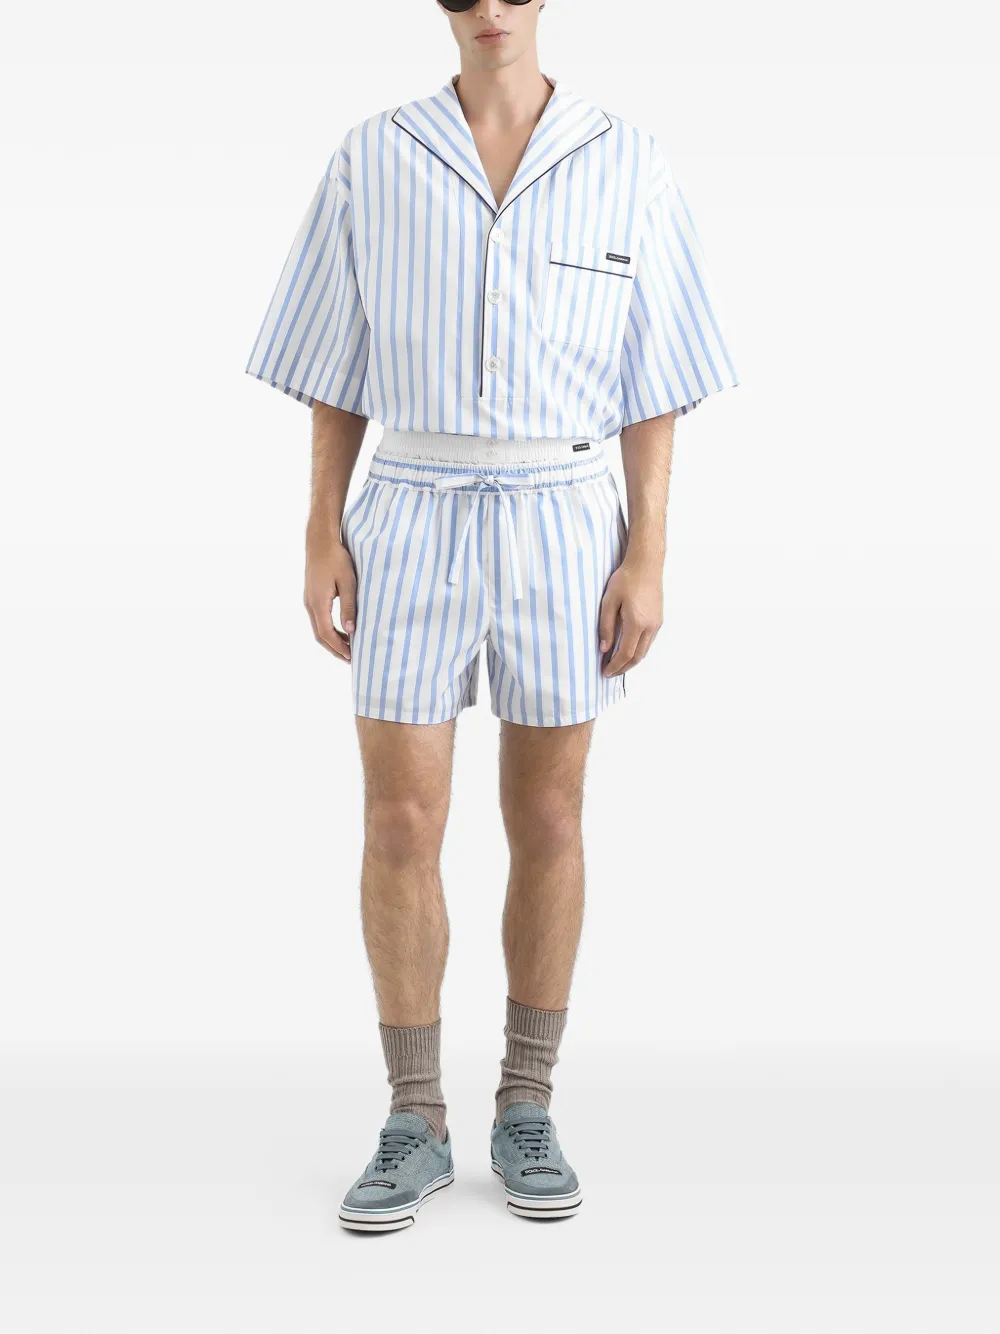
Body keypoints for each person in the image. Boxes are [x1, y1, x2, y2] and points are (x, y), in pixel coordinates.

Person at [245, 0, 738, 1232]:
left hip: (565, 514)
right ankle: (413, 1115)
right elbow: (334, 364)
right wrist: (320, 527)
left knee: (551, 814)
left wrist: (648, 550)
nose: (489, 9)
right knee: (399, 816)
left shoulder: (626, 159)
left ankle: (528, 1098)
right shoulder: (374, 155)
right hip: (408, 503)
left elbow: (656, 380)